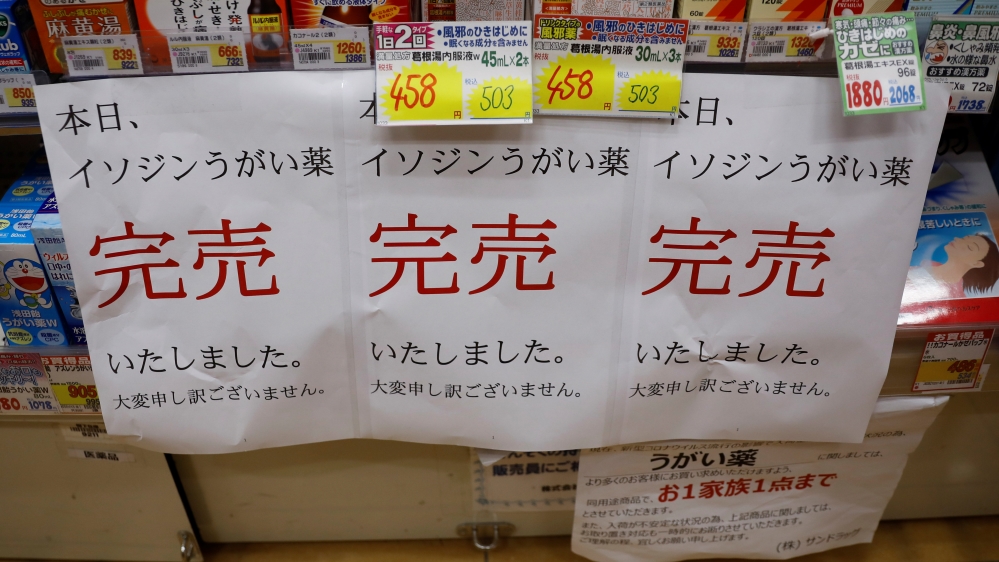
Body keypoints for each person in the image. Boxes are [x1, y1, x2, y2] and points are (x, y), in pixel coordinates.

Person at [904, 233, 999, 302]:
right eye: (964, 238)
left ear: (976, 263)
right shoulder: (926, 264)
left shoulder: (956, 297)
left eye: (969, 247)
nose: (957, 239)